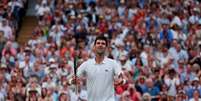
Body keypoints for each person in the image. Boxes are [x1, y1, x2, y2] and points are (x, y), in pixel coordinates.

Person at [70, 36, 125, 101]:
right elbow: (72, 79)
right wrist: (72, 81)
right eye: (98, 43)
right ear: (94, 47)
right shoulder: (86, 64)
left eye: (103, 43)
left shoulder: (113, 63)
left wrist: (121, 81)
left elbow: (121, 77)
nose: (100, 45)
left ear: (106, 47)